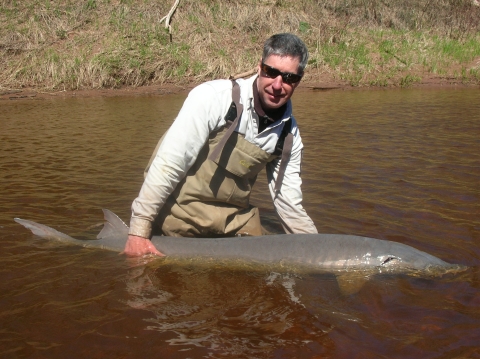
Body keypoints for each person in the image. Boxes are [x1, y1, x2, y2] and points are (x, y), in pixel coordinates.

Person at [124, 33, 318, 257]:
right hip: (179, 211)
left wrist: (318, 250)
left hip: (232, 219)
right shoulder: (214, 98)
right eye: (271, 72)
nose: (277, 84)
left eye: (288, 78)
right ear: (259, 68)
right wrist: (138, 230)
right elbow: (170, 164)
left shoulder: (289, 136)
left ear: (298, 81)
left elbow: (288, 202)